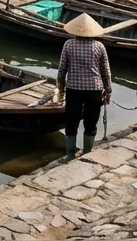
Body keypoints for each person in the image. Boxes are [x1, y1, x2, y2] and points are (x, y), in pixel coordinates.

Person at [56, 13, 113, 162]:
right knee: (91, 121)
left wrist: (60, 90)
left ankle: (70, 154)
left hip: (73, 89)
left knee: (71, 120)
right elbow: (106, 72)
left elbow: (62, 70)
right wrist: (108, 91)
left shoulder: (68, 44)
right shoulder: (99, 46)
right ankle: (87, 152)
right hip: (94, 89)